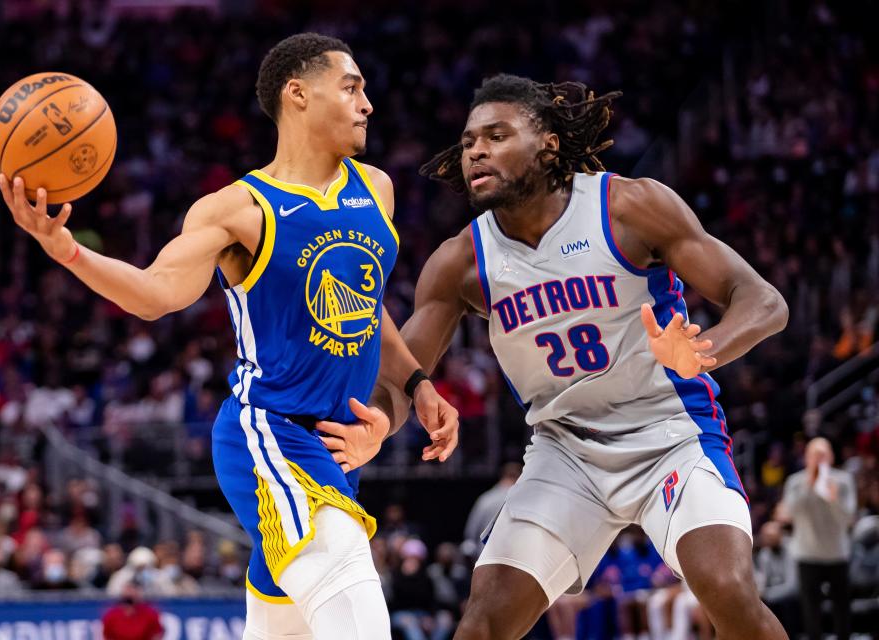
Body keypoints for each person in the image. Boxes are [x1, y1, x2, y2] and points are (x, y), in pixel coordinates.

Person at [0, 33, 459, 640]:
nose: (367, 103)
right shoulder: (238, 209)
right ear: (298, 94)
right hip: (268, 433)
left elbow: (366, 308)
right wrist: (67, 251)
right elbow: (156, 292)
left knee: (281, 627)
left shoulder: (375, 189)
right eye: (351, 87)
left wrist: (418, 382)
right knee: (355, 599)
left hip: (336, 451)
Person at [329, 74, 790, 638]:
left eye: (497, 135)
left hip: (668, 432)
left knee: (728, 590)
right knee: (483, 622)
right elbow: (403, 379)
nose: (476, 150)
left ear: (547, 141)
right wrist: (381, 423)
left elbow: (763, 301)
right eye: (470, 140)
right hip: (565, 450)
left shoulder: (628, 206)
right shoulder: (461, 262)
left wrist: (705, 350)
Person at [783, 437, 857, 640]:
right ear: (806, 457)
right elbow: (789, 513)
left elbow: (848, 518)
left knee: (842, 611)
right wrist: (809, 484)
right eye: (814, 455)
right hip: (807, 554)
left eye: (823, 454)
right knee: (811, 613)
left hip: (837, 554)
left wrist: (833, 499)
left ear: (832, 456)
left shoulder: (843, 481)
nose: (819, 459)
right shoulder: (795, 482)